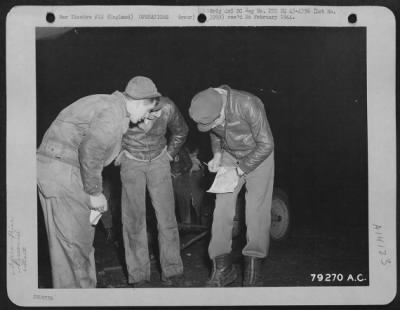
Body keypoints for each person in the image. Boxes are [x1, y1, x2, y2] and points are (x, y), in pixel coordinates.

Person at [36, 76, 160, 288]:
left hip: (54, 170)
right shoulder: (113, 112)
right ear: (139, 102)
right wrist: (94, 192)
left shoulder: (105, 103)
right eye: (148, 111)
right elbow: (91, 150)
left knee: (66, 252)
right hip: (66, 173)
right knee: (77, 249)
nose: (145, 118)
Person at [188, 85, 274, 287]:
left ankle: (253, 273)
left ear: (223, 108)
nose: (212, 125)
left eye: (215, 120)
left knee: (256, 212)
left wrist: (240, 169)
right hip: (230, 154)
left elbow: (267, 144)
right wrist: (217, 154)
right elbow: (214, 131)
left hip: (259, 154)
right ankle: (223, 270)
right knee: (221, 211)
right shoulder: (209, 107)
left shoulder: (248, 104)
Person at [116, 88, 188, 287]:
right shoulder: (121, 108)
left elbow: (181, 131)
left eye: (152, 111)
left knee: (167, 219)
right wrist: (118, 152)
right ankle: (138, 275)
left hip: (159, 162)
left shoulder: (168, 107)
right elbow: (108, 133)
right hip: (131, 162)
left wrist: (169, 155)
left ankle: (172, 271)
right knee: (133, 220)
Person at [170, 146, 193, 224]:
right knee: (169, 204)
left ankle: (187, 224)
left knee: (184, 203)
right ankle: (170, 224)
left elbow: (189, 164)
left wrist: (180, 172)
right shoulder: (165, 151)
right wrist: (170, 173)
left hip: (181, 180)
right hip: (170, 180)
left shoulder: (181, 150)